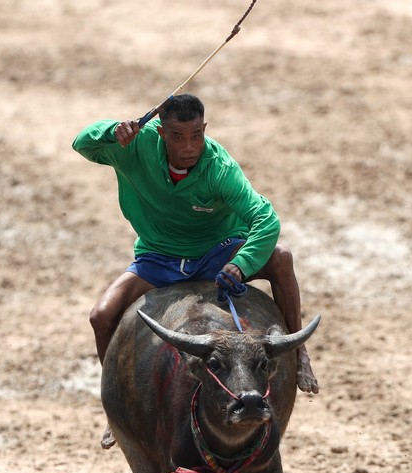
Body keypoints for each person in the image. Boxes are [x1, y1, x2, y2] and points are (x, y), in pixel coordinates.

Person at [74, 94, 319, 449]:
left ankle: (300, 354)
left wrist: (243, 263)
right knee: (101, 316)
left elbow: (265, 219)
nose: (188, 147)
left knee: (280, 256)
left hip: (216, 252)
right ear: (160, 132)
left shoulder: (219, 168)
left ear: (205, 130)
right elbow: (82, 143)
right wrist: (113, 130)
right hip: (158, 256)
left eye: (196, 136)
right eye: (177, 137)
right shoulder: (135, 145)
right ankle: (117, 409)